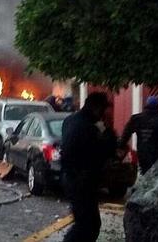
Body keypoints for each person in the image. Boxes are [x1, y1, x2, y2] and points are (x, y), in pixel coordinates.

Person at [61, 92, 116, 242]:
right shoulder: (89, 128)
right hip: (82, 181)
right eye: (103, 109)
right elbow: (106, 151)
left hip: (70, 179)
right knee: (87, 225)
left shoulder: (69, 120)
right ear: (97, 108)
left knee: (87, 223)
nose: (104, 113)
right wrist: (107, 131)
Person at [118, 96, 158, 174]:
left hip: (142, 152)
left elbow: (126, 133)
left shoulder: (137, 118)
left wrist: (121, 145)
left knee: (144, 172)